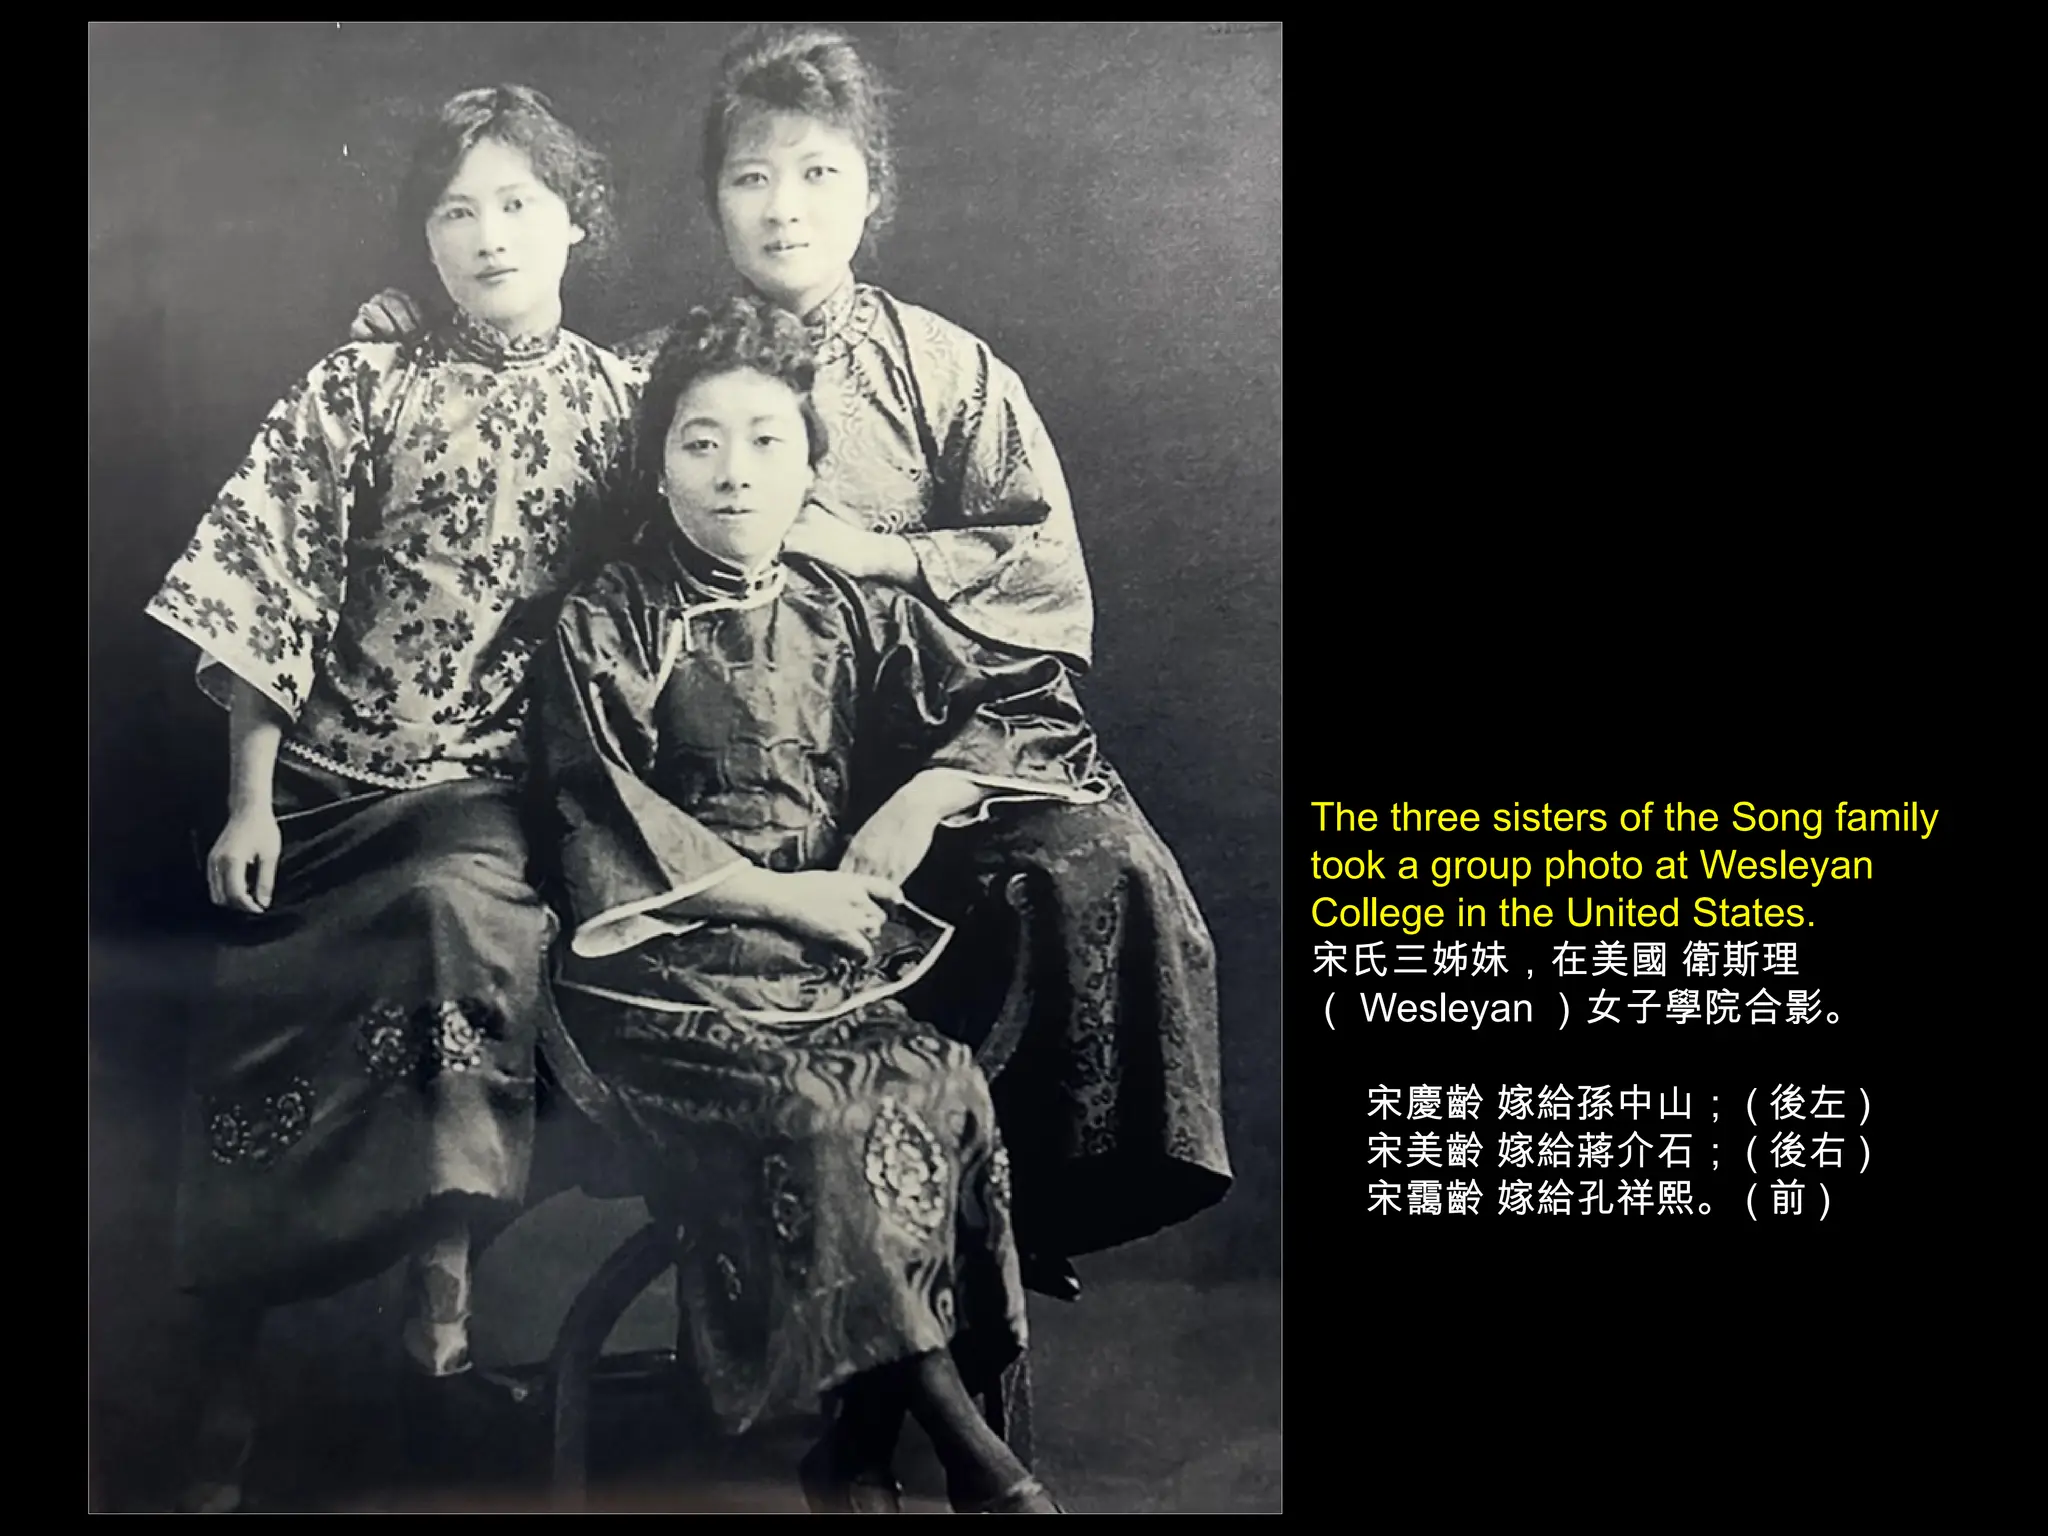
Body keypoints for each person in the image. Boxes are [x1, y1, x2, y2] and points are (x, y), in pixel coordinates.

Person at [354, 23, 1232, 1288]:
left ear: (870, 192)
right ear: (713, 200)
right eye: (750, 177)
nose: (784, 209)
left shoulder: (949, 369)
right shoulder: (651, 375)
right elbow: (524, 430)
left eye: (819, 174)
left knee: (1101, 868)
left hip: (935, 731)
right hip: (714, 774)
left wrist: (886, 576)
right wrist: (414, 327)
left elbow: (1039, 574)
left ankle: (1002, 1204)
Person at [144, 85, 642, 1512]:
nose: (488, 237)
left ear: (573, 221)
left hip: (495, 795)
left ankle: (445, 1249)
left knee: (454, 909)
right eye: (455, 211)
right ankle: (224, 1381)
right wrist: (251, 801)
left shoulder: (624, 401)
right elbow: (262, 587)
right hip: (324, 789)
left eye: (518, 205)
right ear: (424, 237)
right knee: (254, 1043)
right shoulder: (356, 386)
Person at [531, 294, 1087, 1513]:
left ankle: (850, 1446)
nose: (735, 476)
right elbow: (598, 814)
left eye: (767, 442)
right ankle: (971, 1457)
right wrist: (783, 900)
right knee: (818, 1112)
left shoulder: (844, 609)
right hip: (663, 970)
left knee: (942, 1084)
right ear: (659, 463)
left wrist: (927, 793)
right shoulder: (606, 619)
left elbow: (1025, 708)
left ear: (809, 466)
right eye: (700, 442)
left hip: (830, 965)